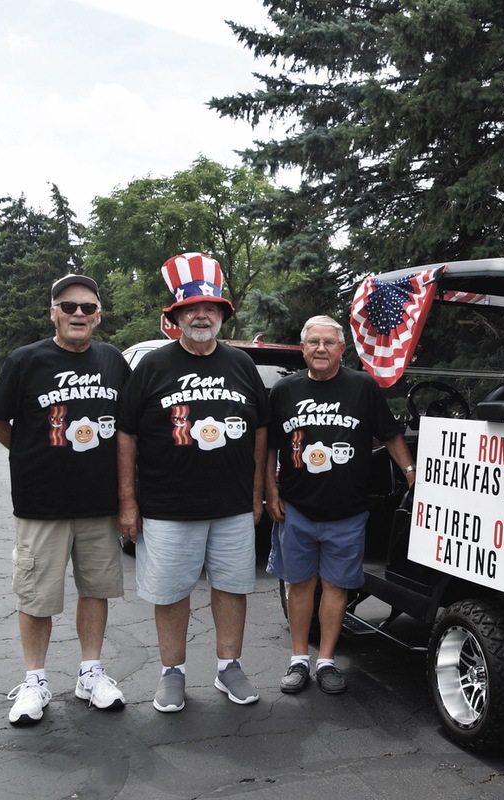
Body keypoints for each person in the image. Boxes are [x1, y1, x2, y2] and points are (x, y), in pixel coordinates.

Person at [116, 252, 269, 713]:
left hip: (232, 506)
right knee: (170, 592)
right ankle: (173, 674)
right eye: (191, 309)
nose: (201, 315)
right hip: (166, 505)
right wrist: (128, 500)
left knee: (233, 586)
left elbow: (261, 429)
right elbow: (126, 434)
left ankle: (229, 668)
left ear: (221, 315)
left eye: (210, 308)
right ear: (176, 317)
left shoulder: (242, 365)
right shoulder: (153, 367)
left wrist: (257, 493)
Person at [0, 274, 131, 725]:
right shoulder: (25, 361)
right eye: (69, 307)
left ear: (98, 316)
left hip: (98, 503)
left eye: (88, 308)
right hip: (41, 504)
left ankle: (90, 673)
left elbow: (127, 427)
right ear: (53, 312)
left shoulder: (112, 361)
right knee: (37, 596)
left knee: (97, 590)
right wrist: (33, 453)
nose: (79, 315)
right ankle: (34, 681)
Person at [264, 315, 415, 694]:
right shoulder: (284, 391)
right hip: (297, 507)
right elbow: (267, 447)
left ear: (341, 350)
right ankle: (299, 659)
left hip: (348, 511)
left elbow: (390, 433)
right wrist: (270, 490)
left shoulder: (361, 387)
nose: (320, 349)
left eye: (329, 343)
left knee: (335, 588)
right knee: (300, 586)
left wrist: (411, 472)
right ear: (303, 348)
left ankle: (327, 660)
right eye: (313, 342)